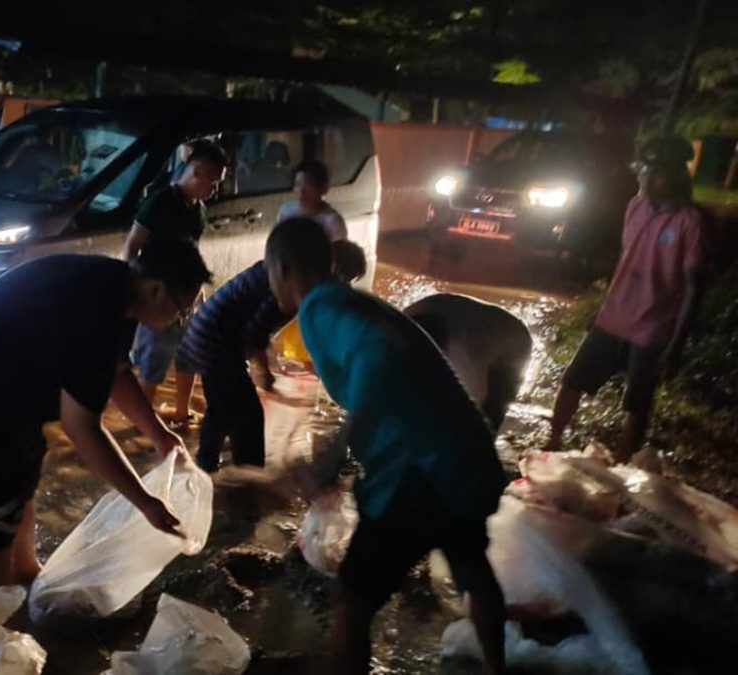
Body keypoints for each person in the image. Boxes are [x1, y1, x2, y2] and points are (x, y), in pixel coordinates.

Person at [264, 218, 506, 675]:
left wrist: (330, 461)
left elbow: (378, 365)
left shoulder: (319, 309)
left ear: (285, 267)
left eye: (269, 272)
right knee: (474, 571)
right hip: (465, 455)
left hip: (418, 473)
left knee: (352, 598)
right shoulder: (354, 303)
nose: (269, 283)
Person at [0, 239, 212, 594]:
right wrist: (145, 503)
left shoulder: (123, 296)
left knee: (20, 485)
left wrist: (158, 433)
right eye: (180, 309)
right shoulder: (96, 308)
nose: (178, 321)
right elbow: (81, 427)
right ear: (156, 289)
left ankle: (25, 574)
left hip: (11, 388)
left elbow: (114, 372)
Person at [545, 136, 704, 463]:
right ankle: (552, 442)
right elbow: (627, 259)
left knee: (637, 403)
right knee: (573, 379)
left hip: (652, 328)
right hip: (612, 318)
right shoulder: (637, 206)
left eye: (649, 170)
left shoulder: (691, 223)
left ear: (671, 175)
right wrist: (603, 305)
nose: (642, 176)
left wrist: (676, 343)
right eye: (642, 169)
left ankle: (622, 465)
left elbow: (693, 287)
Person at [177, 239, 367, 472]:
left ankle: (206, 466)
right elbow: (255, 332)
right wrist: (263, 370)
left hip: (204, 334)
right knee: (248, 415)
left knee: (221, 407)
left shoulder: (288, 271)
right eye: (345, 281)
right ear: (333, 273)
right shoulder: (288, 285)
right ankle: (247, 480)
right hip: (214, 342)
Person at [122, 139, 227, 427]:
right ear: (199, 171)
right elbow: (132, 246)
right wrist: (133, 289)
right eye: (214, 181)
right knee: (153, 359)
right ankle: (140, 422)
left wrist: (198, 294)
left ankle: (182, 412)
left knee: (189, 352)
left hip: (186, 294)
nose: (215, 189)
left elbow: (193, 252)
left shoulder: (198, 210)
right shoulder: (160, 202)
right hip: (158, 296)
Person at [405, 293, 534, 433]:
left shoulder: (464, 365)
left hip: (512, 341)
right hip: (450, 313)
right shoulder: (393, 333)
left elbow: (468, 413)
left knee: (483, 424)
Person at [276, 159, 348, 242]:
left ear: (323, 189)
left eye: (308, 185)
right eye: (297, 185)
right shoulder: (286, 211)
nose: (301, 191)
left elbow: (339, 253)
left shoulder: (333, 222)